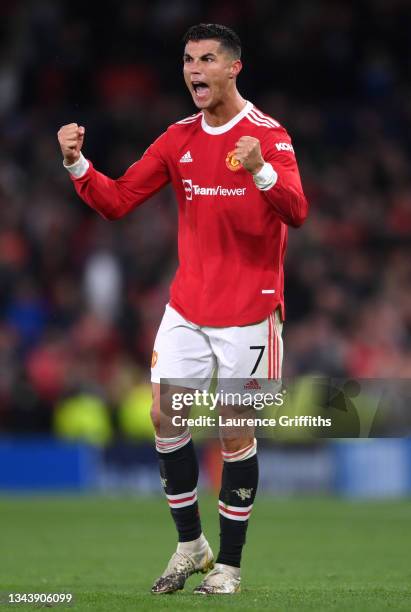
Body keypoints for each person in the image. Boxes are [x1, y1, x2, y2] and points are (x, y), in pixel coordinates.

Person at [57, 23, 308, 596]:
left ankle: (230, 568)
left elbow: (297, 211)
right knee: (166, 421)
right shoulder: (178, 139)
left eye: (208, 59)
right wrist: (77, 164)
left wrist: (261, 170)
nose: (195, 69)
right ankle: (192, 545)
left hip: (251, 314)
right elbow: (118, 200)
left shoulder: (268, 136)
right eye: (189, 59)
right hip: (188, 311)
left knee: (233, 432)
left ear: (233, 68)